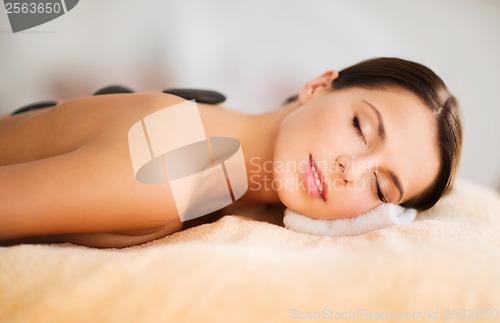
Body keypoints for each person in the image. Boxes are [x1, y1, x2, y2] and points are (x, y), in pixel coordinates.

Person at [0, 57, 462, 248]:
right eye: (360, 127)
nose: (351, 170)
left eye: (381, 187)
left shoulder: (237, 194)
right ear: (318, 86)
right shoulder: (178, 163)